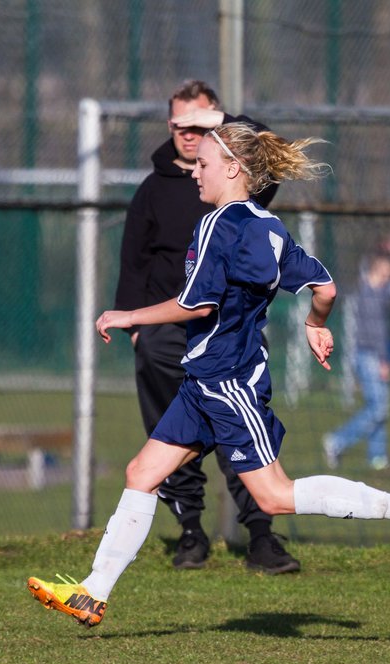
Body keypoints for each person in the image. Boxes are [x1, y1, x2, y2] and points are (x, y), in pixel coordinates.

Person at [27, 122, 390, 627]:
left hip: (228, 384)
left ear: (233, 169)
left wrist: (128, 315)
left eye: (203, 165)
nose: (195, 175)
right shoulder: (269, 226)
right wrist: (316, 324)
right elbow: (326, 286)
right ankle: (92, 593)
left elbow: (196, 303)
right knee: (141, 473)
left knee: (273, 494)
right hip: (203, 382)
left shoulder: (218, 224)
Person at [114, 79, 299, 575]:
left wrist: (216, 125)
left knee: (245, 443)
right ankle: (189, 532)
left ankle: (261, 536)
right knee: (161, 449)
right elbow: (133, 264)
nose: (187, 133)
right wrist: (135, 324)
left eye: (199, 124)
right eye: (178, 123)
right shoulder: (155, 190)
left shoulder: (235, 179)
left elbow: (260, 146)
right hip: (166, 333)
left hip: (227, 337)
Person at [323, 252, 390, 471]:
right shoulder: (370, 294)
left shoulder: (377, 291)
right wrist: (384, 360)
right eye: (388, 270)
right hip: (370, 356)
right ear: (379, 268)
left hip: (369, 355)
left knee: (378, 405)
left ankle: (377, 457)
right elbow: (376, 333)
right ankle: (337, 440)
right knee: (379, 408)